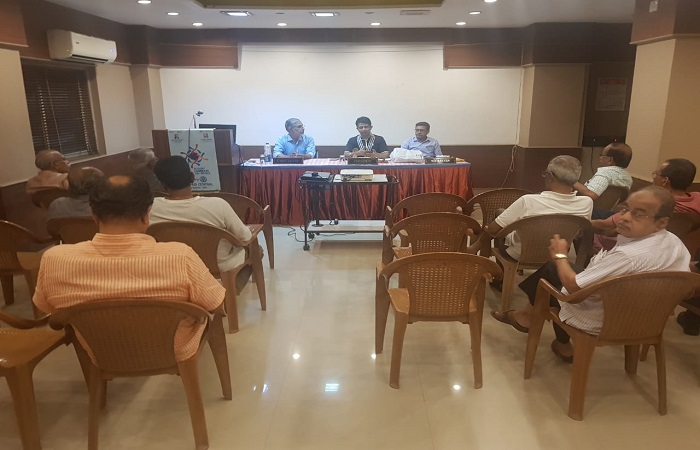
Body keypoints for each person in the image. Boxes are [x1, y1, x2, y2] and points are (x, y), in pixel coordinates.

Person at [33, 174, 226, 362]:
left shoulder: (54, 259)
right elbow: (215, 305)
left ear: (94, 215)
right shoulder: (179, 257)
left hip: (98, 350)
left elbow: (46, 309)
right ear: (147, 214)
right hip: (170, 349)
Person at [492, 186, 691, 362]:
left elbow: (574, 288)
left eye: (639, 214)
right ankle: (530, 319)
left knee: (553, 277)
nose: (624, 218)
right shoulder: (675, 243)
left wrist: (560, 254)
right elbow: (688, 287)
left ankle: (541, 328)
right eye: (625, 209)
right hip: (649, 319)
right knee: (553, 270)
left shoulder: (628, 257)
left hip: (607, 319)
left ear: (661, 222)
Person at [149, 156, 253, 288]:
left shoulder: (150, 207)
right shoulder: (218, 204)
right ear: (192, 177)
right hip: (215, 265)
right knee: (256, 250)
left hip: (172, 264)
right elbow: (245, 237)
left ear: (162, 184)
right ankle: (227, 291)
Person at [485, 155, 594, 261]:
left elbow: (492, 230)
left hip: (520, 254)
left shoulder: (528, 201)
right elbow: (580, 233)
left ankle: (496, 270)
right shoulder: (586, 203)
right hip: (559, 253)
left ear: (550, 176)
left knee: (499, 215)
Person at [591, 158, 700, 250]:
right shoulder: (697, 198)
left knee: (591, 217)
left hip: (625, 243)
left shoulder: (652, 202)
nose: (654, 177)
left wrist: (582, 223)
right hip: (663, 245)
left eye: (656, 174)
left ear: (665, 181)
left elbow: (606, 226)